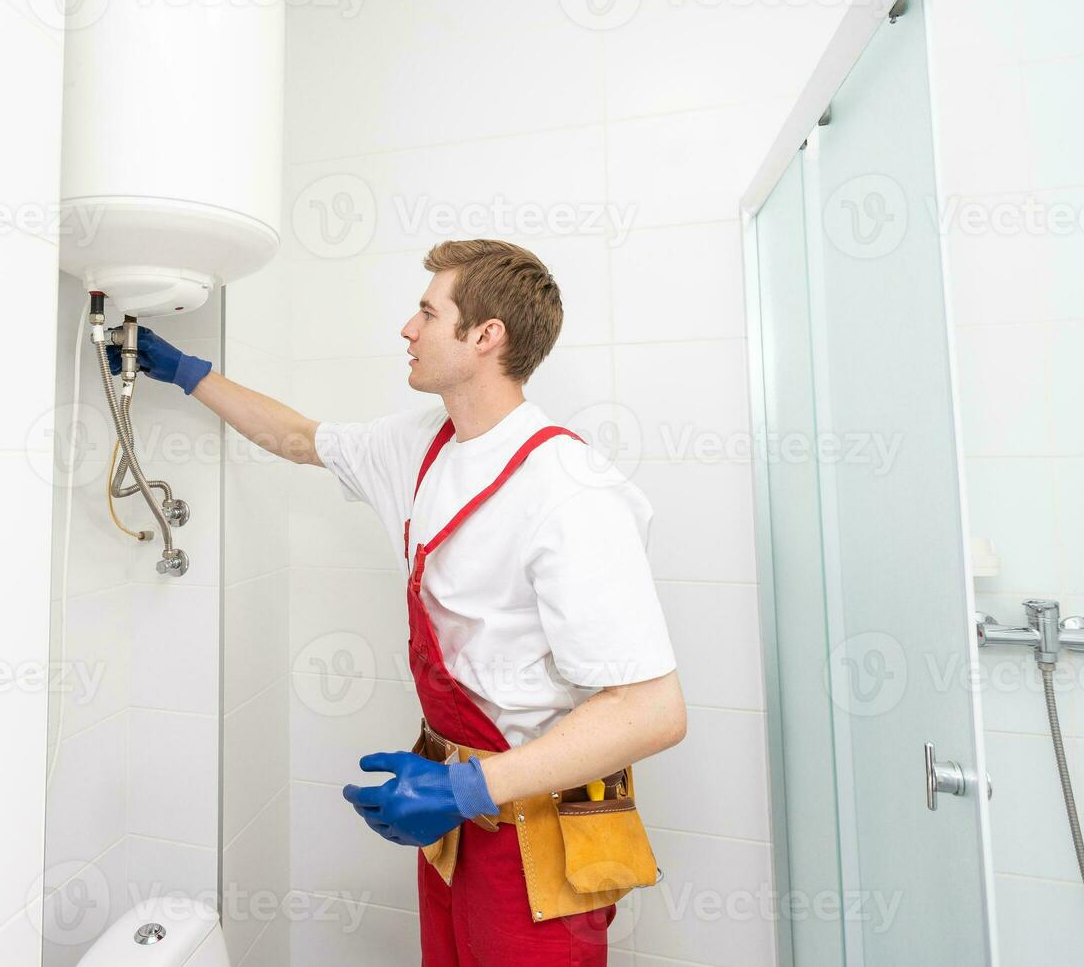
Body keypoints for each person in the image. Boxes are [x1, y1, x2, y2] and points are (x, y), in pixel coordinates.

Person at [108, 238, 687, 966]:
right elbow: (297, 439)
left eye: (426, 312)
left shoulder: (570, 491)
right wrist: (189, 374)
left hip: (537, 837)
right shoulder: (422, 444)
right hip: (449, 812)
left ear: (486, 336)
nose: (407, 330)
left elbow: (652, 710)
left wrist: (471, 786)